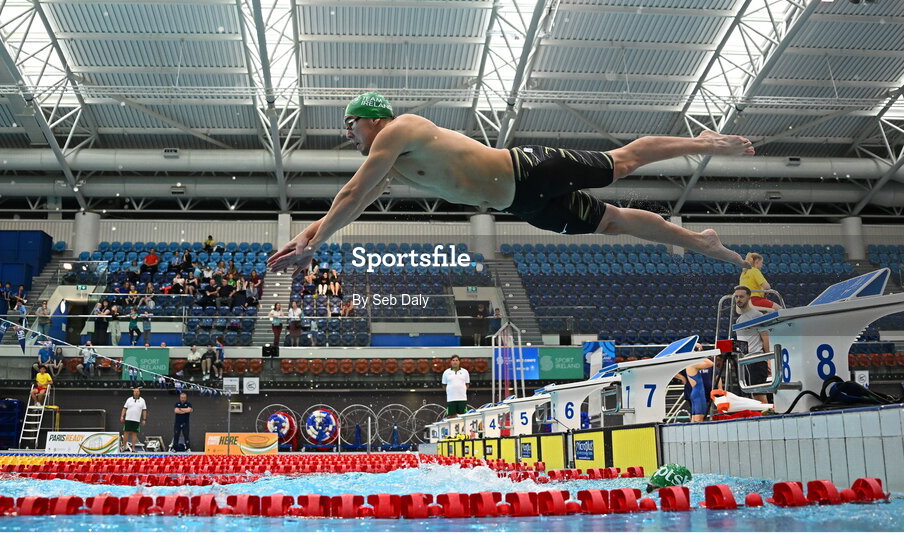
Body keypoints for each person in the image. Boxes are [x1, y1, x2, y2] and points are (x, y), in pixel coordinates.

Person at [268, 93, 752, 275]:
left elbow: (350, 193)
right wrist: (309, 236)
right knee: (613, 223)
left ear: (368, 119)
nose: (348, 136)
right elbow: (352, 206)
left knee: (620, 163)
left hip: (528, 169)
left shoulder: (399, 130)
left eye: (349, 127)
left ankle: (703, 142)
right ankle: (699, 241)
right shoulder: (390, 164)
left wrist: (316, 240)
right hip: (522, 206)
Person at [732, 285, 772, 403]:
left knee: (758, 393)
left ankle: (766, 417)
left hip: (756, 360)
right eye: (737, 297)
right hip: (746, 360)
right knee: (750, 395)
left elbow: (765, 336)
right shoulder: (739, 320)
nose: (739, 299)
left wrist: (768, 358)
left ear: (749, 297)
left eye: (741, 297)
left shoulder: (756, 315)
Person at [674, 346, 714, 422]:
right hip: (699, 393)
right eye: (696, 349)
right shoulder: (693, 364)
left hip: (695, 392)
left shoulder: (690, 364)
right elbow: (711, 363)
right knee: (700, 419)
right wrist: (698, 355)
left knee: (694, 419)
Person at [120, 388, 147, 453]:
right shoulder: (129, 399)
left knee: (134, 434)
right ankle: (124, 447)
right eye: (135, 391)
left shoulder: (142, 400)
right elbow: (124, 408)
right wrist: (122, 416)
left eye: (137, 391)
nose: (136, 393)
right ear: (133, 392)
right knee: (126, 433)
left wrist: (144, 419)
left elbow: (144, 410)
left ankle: (133, 448)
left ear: (139, 392)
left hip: (136, 420)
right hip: (128, 419)